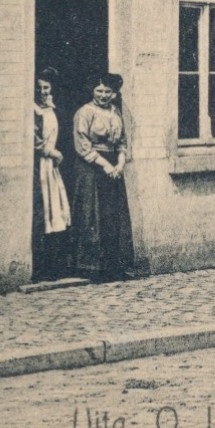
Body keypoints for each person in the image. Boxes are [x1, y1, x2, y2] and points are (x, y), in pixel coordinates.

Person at [69, 73, 136, 282]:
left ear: (114, 93)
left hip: (113, 167)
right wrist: (106, 165)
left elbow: (122, 142)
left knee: (112, 215)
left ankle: (113, 264)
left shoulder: (116, 113)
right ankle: (90, 266)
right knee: (92, 214)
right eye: (99, 91)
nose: (103, 95)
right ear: (92, 91)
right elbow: (82, 145)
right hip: (91, 167)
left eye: (108, 91)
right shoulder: (85, 113)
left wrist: (120, 163)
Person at [31, 68, 73, 281]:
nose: (42, 91)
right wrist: (50, 152)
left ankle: (55, 265)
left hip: (51, 167)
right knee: (43, 211)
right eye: (38, 88)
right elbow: (34, 138)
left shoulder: (51, 109)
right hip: (39, 165)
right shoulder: (34, 110)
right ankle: (40, 268)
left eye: (46, 87)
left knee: (55, 212)